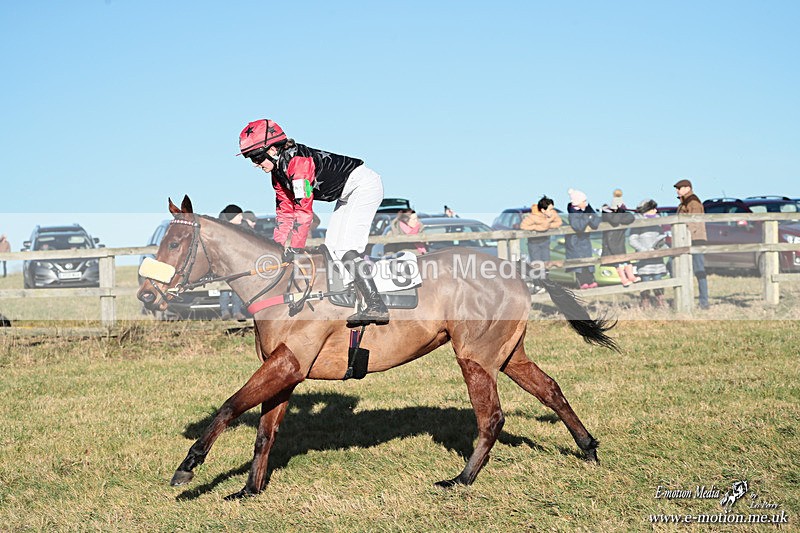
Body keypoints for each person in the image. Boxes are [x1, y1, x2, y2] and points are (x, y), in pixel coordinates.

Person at [238, 118, 388, 325]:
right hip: (346, 194)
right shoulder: (277, 174)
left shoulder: (298, 164)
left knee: (345, 248)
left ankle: (376, 305)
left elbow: (304, 211)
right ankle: (354, 299)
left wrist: (297, 248)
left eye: (256, 158)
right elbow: (284, 211)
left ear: (272, 150)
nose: (255, 164)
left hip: (364, 187)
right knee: (333, 247)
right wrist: (278, 246)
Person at [674, 179, 709, 309]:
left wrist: (684, 235)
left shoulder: (693, 202)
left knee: (699, 270)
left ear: (687, 188)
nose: (678, 191)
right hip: (688, 239)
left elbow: (694, 222)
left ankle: (704, 302)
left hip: (694, 239)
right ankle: (687, 299)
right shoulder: (685, 202)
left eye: (680, 188)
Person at [629, 199, 669, 308]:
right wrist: (644, 250)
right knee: (645, 280)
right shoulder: (638, 222)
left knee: (658, 279)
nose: (656, 210)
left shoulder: (658, 221)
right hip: (644, 259)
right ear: (646, 210)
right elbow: (632, 240)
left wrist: (660, 245)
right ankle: (645, 304)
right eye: (653, 208)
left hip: (657, 258)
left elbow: (661, 236)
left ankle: (660, 303)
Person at [520, 196, 562, 292]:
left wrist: (548, 225)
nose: (552, 210)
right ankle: (538, 285)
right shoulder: (533, 216)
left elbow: (559, 222)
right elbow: (523, 226)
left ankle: (546, 284)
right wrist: (538, 228)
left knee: (546, 262)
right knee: (536, 263)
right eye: (550, 209)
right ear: (543, 210)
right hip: (534, 243)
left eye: (553, 208)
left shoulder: (553, 214)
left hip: (545, 241)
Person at [217, 204, 249, 320]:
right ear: (233, 216)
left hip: (238, 263)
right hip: (225, 264)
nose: (241, 217)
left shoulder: (243, 227)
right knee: (224, 289)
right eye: (239, 215)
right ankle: (225, 312)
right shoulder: (221, 228)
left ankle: (237, 312)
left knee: (237, 289)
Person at [566, 189, 601, 289]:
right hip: (575, 242)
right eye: (584, 201)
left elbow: (596, 221)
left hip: (585, 240)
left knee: (588, 261)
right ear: (578, 202)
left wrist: (589, 217)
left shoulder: (587, 208)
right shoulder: (573, 213)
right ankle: (582, 282)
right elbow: (578, 226)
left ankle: (590, 281)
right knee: (579, 263)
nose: (586, 203)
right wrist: (588, 218)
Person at [601, 201, 639, 287]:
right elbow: (615, 220)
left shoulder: (618, 213)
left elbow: (630, 217)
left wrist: (621, 212)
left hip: (619, 241)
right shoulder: (607, 213)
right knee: (618, 263)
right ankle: (623, 279)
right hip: (610, 242)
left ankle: (631, 276)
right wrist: (620, 213)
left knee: (626, 261)